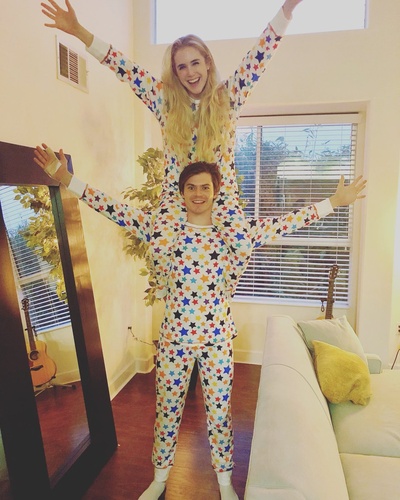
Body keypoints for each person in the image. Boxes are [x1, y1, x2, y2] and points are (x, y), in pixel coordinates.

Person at [33, 143, 367, 500]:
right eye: (191, 187)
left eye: (205, 186)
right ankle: (160, 478)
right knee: (167, 411)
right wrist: (64, 177)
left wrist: (334, 202)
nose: (197, 193)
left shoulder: (233, 235)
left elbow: (283, 224)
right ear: (181, 192)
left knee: (220, 414)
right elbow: (112, 207)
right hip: (174, 339)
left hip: (217, 340)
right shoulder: (162, 230)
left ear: (215, 191)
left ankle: (224, 481)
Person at [40, 0, 304, 299]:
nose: (190, 72)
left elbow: (259, 56)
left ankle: (223, 292)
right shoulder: (164, 100)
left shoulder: (229, 97)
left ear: (207, 62)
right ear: (175, 72)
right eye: (182, 67)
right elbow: (124, 67)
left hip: (222, 195)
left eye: (195, 63)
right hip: (176, 196)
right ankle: (168, 291)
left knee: (243, 245)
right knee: (159, 245)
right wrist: (78, 31)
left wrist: (287, 10)